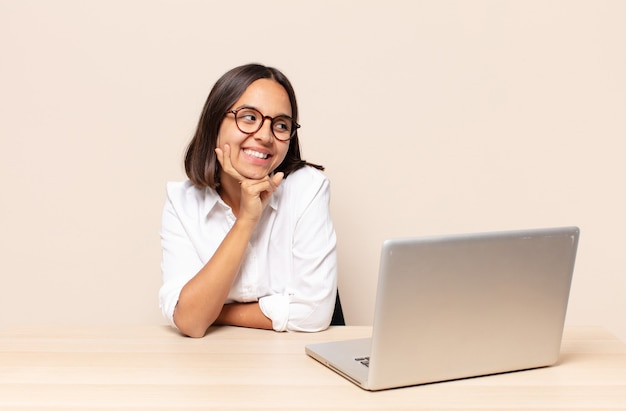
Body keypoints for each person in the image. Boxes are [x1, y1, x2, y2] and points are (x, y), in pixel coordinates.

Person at [159, 63, 338, 337]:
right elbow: (192, 324)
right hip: (211, 365)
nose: (265, 136)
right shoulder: (182, 202)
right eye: (249, 117)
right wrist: (246, 220)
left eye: (280, 125)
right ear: (215, 122)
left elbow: (314, 313)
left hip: (292, 365)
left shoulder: (307, 188)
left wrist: (213, 311)